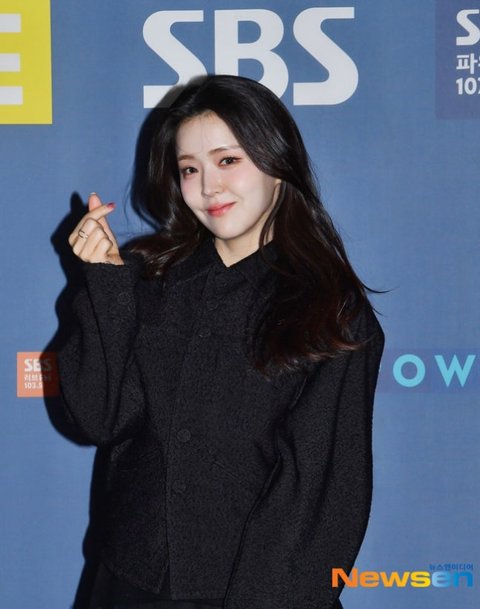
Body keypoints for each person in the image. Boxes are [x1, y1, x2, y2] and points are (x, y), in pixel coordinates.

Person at [57, 74, 385, 609]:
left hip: (253, 592)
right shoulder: (150, 280)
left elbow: (320, 494)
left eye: (228, 160)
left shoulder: (331, 312)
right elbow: (99, 419)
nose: (208, 187)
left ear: (277, 162)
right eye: (190, 169)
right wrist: (106, 287)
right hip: (127, 580)